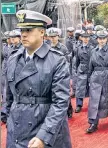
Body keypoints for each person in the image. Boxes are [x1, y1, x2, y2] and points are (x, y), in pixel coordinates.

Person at [3, 10, 71, 148]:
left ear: (42, 32)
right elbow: (9, 97)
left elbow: (60, 102)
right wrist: (9, 119)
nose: (23, 34)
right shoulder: (13, 58)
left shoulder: (57, 60)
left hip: (45, 129)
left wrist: (43, 136)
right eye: (22, 30)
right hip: (17, 129)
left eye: (28, 29)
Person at [48, 27, 73, 119]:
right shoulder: (46, 47)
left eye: (54, 36)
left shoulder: (63, 48)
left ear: (58, 37)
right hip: (50, 73)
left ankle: (68, 109)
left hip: (61, 73)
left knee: (64, 92)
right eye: (51, 37)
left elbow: (67, 62)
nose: (53, 38)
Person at [75, 31, 93, 113]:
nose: (85, 39)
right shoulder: (78, 48)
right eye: (84, 37)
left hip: (90, 69)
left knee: (92, 87)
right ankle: (79, 105)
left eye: (87, 38)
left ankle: (93, 104)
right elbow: (77, 61)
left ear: (89, 38)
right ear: (81, 38)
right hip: (81, 69)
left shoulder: (92, 48)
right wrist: (77, 69)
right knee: (80, 87)